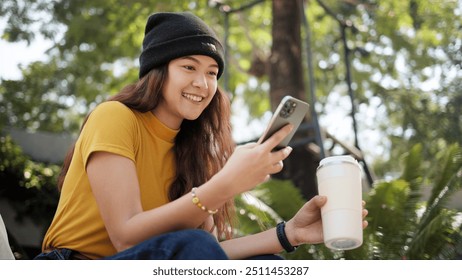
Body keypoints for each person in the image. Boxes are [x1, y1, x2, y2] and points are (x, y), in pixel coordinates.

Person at [35, 12, 367, 260]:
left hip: (152, 263)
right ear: (158, 72)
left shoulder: (192, 151)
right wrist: (227, 184)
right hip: (75, 263)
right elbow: (125, 236)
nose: (203, 83)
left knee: (265, 264)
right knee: (196, 245)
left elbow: (212, 255)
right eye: (189, 67)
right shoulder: (114, 117)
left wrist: (290, 233)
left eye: (212, 73)